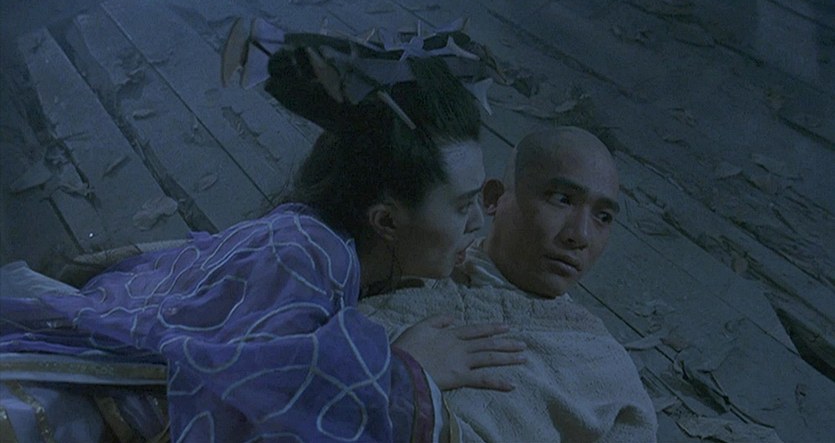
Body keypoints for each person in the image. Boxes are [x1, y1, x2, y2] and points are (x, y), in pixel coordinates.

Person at [0, 23, 526, 442]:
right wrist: (404, 370)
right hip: (59, 407)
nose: (477, 221)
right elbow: (262, 395)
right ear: (385, 220)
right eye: (462, 206)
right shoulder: (305, 253)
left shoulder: (323, 241)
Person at [361, 127, 659, 442]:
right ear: (494, 198)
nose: (580, 235)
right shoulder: (411, 262)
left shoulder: (605, 369)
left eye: (603, 217)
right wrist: (398, 370)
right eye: (562, 199)